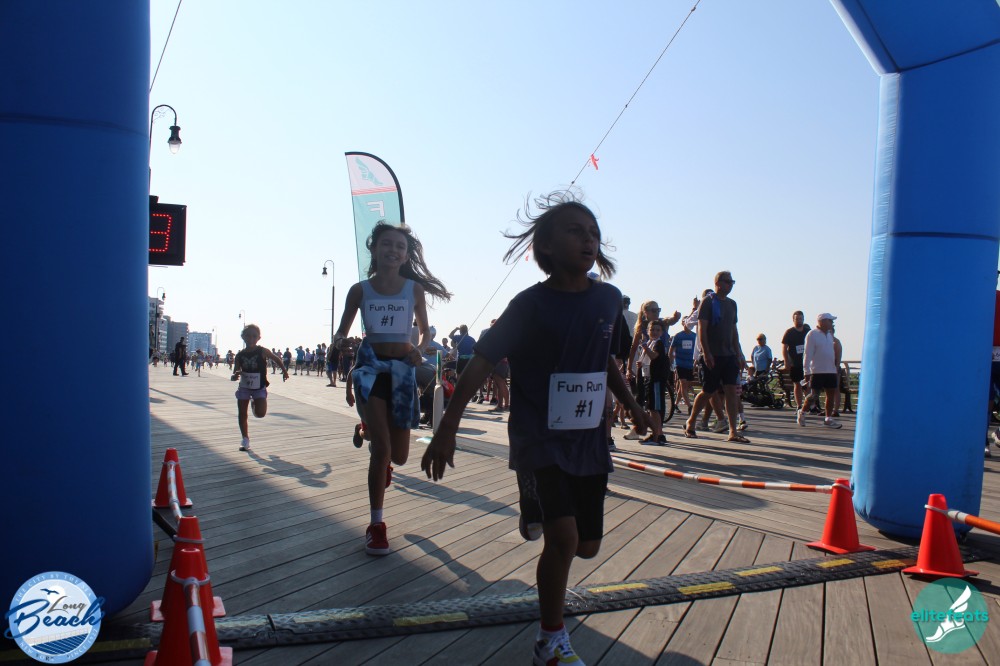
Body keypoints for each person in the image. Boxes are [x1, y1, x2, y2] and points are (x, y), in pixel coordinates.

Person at [420, 192, 651, 666]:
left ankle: (534, 503)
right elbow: (482, 362)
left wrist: (634, 406)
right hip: (538, 435)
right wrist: (447, 427)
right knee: (562, 540)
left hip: (588, 437)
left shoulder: (608, 300)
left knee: (587, 547)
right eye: (575, 231)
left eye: (594, 233)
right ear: (544, 246)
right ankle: (550, 641)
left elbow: (605, 359)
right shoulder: (528, 305)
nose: (588, 240)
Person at [334, 221, 451, 556]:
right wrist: (341, 341)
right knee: (383, 449)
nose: (393, 250)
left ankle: (367, 432)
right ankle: (376, 525)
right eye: (387, 244)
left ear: (406, 254)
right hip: (370, 369)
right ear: (374, 248)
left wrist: (420, 349)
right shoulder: (359, 290)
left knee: (398, 456)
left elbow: (426, 333)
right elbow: (341, 332)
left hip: (401, 373)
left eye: (400, 246)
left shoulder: (414, 290)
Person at [683, 272, 748, 443]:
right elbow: (702, 329)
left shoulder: (732, 304)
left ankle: (733, 431)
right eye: (727, 282)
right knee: (708, 391)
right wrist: (706, 352)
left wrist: (739, 353)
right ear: (718, 283)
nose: (730, 285)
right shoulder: (708, 302)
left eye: (732, 282)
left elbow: (734, 330)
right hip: (712, 355)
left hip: (729, 355)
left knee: (731, 391)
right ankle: (691, 421)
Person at [231, 324, 289, 451]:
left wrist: (284, 371)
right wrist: (235, 376)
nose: (251, 339)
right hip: (245, 386)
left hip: (259, 386)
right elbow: (235, 372)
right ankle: (245, 439)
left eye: (254, 336)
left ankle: (254, 403)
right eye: (248, 336)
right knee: (242, 413)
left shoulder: (262, 351)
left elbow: (276, 359)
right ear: (243, 337)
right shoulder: (240, 355)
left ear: (259, 338)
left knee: (260, 413)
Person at [797, 313, 843, 429]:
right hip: (817, 371)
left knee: (830, 394)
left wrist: (835, 366)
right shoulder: (812, 334)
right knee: (814, 395)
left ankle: (828, 418)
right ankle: (802, 412)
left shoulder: (829, 335)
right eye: (830, 321)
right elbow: (807, 354)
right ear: (822, 321)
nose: (832, 323)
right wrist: (806, 372)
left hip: (830, 370)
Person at [640, 319, 669, 445]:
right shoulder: (651, 343)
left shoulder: (658, 344)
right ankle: (658, 434)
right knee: (652, 407)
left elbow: (654, 356)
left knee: (655, 408)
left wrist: (644, 346)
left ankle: (656, 435)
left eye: (658, 330)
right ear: (648, 331)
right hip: (649, 377)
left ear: (662, 332)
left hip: (656, 379)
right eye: (652, 330)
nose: (655, 332)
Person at [781, 311, 811, 411]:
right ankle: (799, 405)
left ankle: (810, 405)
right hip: (795, 362)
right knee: (797, 384)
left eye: (801, 319)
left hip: (807, 363)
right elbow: (784, 348)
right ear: (793, 320)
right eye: (797, 319)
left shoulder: (808, 331)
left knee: (808, 384)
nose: (799, 321)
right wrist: (786, 361)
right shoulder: (789, 332)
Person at [668, 318, 697, 413]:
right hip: (680, 363)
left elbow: (698, 350)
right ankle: (690, 406)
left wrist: (695, 363)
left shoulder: (695, 336)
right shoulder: (678, 336)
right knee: (683, 383)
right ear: (683, 323)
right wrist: (671, 363)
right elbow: (671, 350)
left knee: (684, 386)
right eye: (685, 322)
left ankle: (675, 404)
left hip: (690, 364)